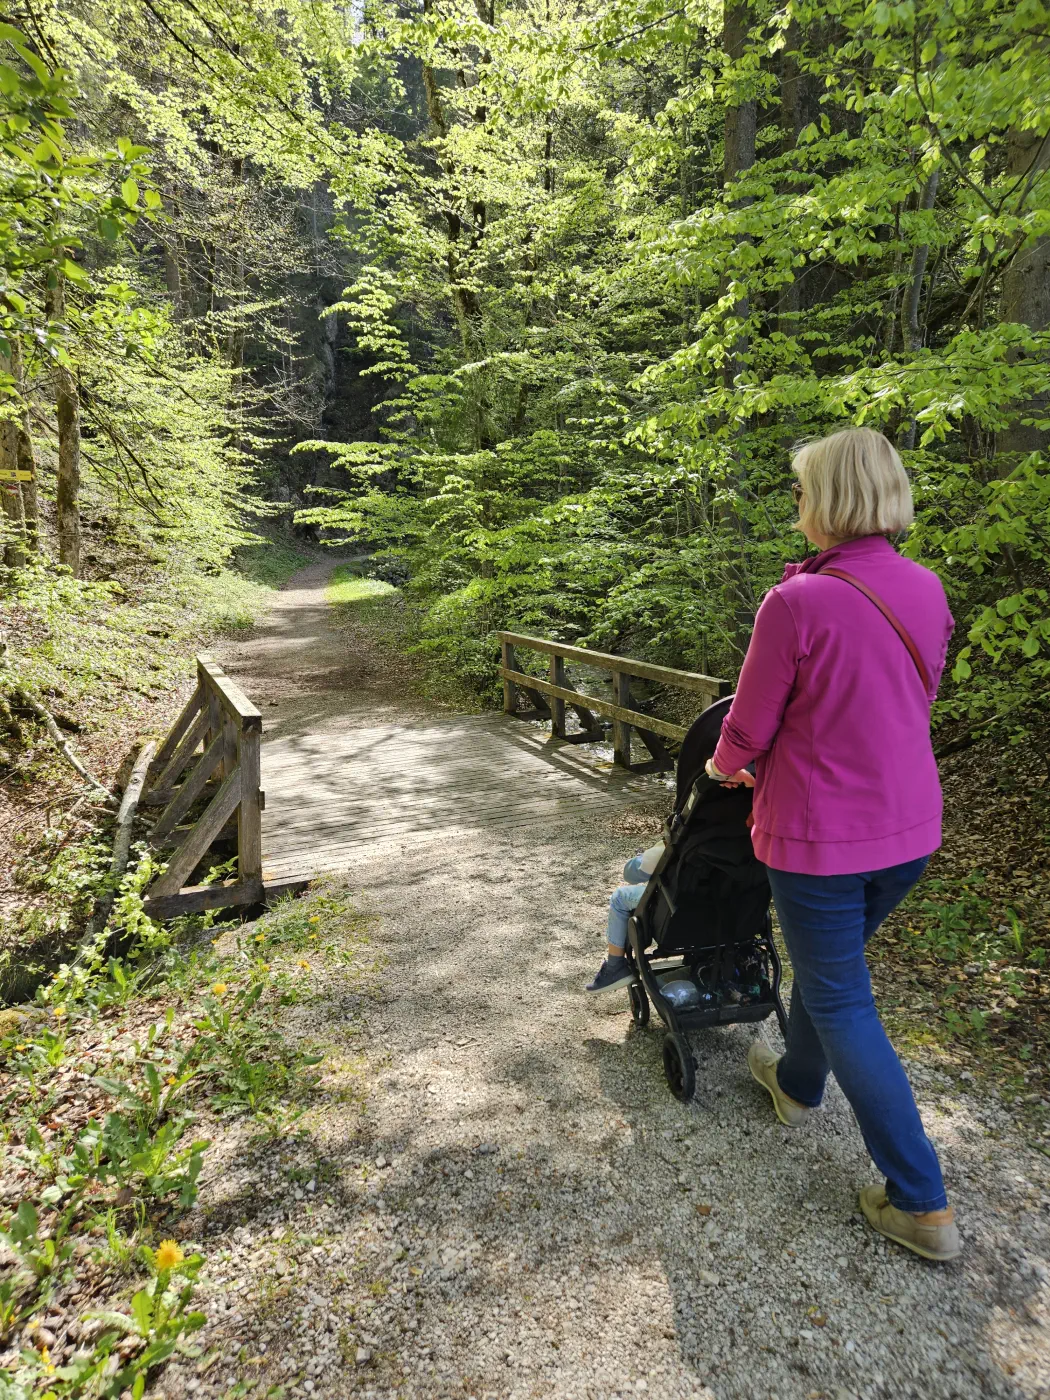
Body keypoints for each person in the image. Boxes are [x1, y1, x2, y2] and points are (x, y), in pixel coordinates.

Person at [705, 426, 961, 1263]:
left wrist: (724, 764)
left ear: (831, 499)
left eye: (803, 488)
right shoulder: (926, 589)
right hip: (911, 828)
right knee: (832, 970)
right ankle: (798, 1082)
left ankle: (920, 1200)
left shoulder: (796, 603)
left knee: (845, 1000)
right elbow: (898, 705)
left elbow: (747, 724)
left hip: (821, 839)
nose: (798, 503)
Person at [585, 842, 664, 993]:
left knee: (620, 897)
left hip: (675, 901)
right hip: (717, 902)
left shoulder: (684, 829)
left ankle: (615, 967)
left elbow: (631, 875)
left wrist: (644, 855)